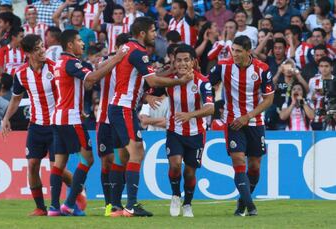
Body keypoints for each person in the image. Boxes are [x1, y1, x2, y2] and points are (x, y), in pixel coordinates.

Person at [108, 17, 192, 217]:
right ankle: (131, 205)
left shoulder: (128, 48)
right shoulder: (138, 51)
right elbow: (153, 80)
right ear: (143, 33)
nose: (156, 34)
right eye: (153, 31)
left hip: (118, 106)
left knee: (124, 156)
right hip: (124, 108)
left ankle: (115, 206)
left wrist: (170, 70)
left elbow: (148, 76)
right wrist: (180, 81)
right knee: (136, 152)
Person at [50, 29, 127, 216]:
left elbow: (82, 83)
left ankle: (53, 207)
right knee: (88, 159)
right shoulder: (71, 62)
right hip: (71, 119)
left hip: (59, 117)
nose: (82, 44)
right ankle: (69, 203)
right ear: (70, 45)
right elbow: (91, 78)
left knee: (59, 163)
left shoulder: (60, 62)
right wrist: (116, 59)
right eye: (79, 40)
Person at [1, 34, 78, 216]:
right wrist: (6, 119)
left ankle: (76, 193)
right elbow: (16, 99)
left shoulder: (55, 68)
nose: (42, 51)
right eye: (37, 49)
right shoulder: (20, 74)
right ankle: (40, 207)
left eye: (42, 46)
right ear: (28, 53)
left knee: (56, 168)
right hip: (36, 125)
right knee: (33, 164)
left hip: (56, 125)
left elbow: (70, 91)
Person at [209, 36, 274, 216]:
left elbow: (269, 99)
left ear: (248, 51)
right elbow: (206, 83)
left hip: (255, 122)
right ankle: (251, 206)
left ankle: (242, 200)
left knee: (254, 166)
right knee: (238, 161)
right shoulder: (223, 67)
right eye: (233, 50)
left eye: (238, 51)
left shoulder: (262, 70)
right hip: (233, 122)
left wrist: (248, 116)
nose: (234, 54)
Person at [166, 44, 214, 217]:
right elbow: (149, 85)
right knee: (176, 164)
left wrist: (190, 115)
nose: (182, 64)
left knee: (189, 172)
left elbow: (210, 108)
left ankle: (187, 204)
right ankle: (175, 195)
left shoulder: (203, 82)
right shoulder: (169, 79)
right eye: (179, 60)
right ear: (174, 62)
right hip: (174, 130)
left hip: (196, 133)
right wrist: (148, 95)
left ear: (193, 62)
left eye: (186, 60)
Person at [96, 33, 131, 216]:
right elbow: (95, 74)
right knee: (107, 161)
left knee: (123, 160)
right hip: (104, 119)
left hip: (122, 118)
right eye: (123, 47)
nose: (126, 50)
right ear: (116, 47)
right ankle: (109, 203)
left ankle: (117, 201)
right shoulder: (106, 61)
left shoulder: (132, 64)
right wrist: (115, 60)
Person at [307, 57, 334, 130]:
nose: (324, 69)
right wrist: (312, 97)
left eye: (326, 66)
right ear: (318, 68)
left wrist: (325, 93)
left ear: (331, 68)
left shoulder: (334, 81)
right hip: (316, 117)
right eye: (321, 66)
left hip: (332, 117)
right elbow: (308, 98)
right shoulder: (313, 81)